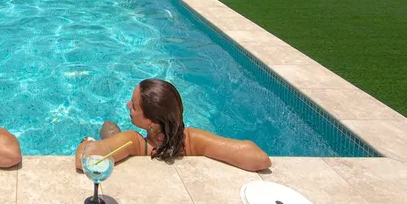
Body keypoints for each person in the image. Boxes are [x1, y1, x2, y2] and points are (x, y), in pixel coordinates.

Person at [74, 79, 271, 172]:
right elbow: (260, 158)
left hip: (126, 145)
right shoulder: (192, 140)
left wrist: (86, 143)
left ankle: (108, 134)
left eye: (133, 105)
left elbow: (85, 160)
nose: (128, 105)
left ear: (151, 122)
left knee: (108, 127)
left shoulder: (134, 142)